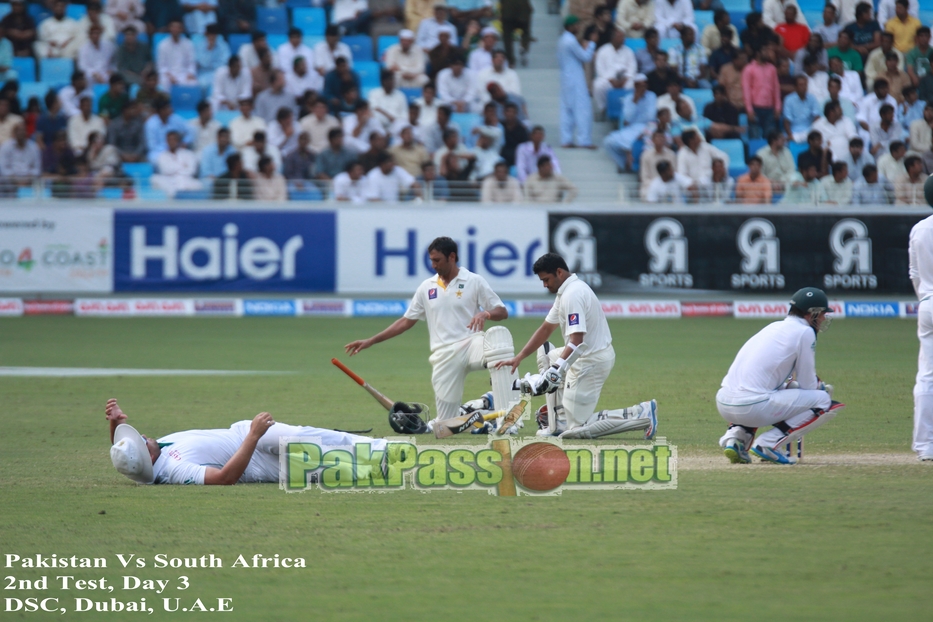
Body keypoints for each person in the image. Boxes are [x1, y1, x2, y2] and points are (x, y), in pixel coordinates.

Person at [345, 236, 516, 426]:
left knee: (499, 343)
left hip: (471, 344)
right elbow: (405, 322)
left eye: (437, 260)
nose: (433, 265)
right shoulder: (426, 287)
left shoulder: (474, 281)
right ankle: (481, 406)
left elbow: (502, 311)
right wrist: (371, 340)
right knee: (445, 425)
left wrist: (485, 314)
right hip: (443, 356)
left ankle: (511, 421)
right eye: (431, 260)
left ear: (452, 257)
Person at [494, 252, 658, 439]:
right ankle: (558, 422)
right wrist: (520, 357)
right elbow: (546, 329)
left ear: (559, 272)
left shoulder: (574, 293)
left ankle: (642, 414)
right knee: (548, 356)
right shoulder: (565, 292)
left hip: (591, 361)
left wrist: (556, 370)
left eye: (546, 279)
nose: (545, 285)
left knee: (578, 429)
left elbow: (577, 340)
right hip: (582, 356)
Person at [106, 398, 390, 485]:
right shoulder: (171, 470)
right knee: (322, 470)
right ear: (147, 456)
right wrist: (254, 436)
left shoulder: (148, 456)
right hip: (253, 463)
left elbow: (127, 456)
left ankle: (379, 449)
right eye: (139, 440)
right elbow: (222, 478)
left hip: (241, 433)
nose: (141, 435)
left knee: (307, 436)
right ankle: (374, 469)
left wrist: (115, 424)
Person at [716, 287, 842, 465]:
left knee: (771, 389)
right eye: (822, 313)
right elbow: (808, 383)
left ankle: (736, 439)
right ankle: (768, 444)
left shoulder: (774, 326)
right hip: (752, 407)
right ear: (811, 314)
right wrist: (821, 388)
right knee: (822, 400)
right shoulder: (804, 332)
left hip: (724, 402)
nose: (823, 318)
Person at [909, 193, 933, 460]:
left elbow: (914, 274)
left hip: (927, 303)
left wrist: (926, 299)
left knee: (927, 375)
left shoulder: (919, 228)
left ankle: (925, 445)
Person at [558, 16, 597, 149]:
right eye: (576, 25)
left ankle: (566, 140)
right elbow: (585, 57)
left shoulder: (561, 40)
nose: (578, 28)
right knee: (582, 109)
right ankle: (584, 141)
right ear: (570, 27)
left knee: (567, 109)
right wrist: (591, 44)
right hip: (575, 79)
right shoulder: (570, 40)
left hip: (565, 78)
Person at [593, 29, 637, 115]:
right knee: (597, 85)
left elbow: (632, 68)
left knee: (634, 84)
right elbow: (600, 69)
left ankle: (629, 109)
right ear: (612, 38)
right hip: (608, 80)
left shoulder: (628, 51)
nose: (622, 39)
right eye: (619, 37)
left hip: (625, 81)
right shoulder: (603, 51)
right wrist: (611, 80)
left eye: (623, 37)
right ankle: (604, 108)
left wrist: (625, 79)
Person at [743, 47, 782, 139]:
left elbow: (776, 89)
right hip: (755, 108)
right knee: (755, 136)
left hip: (769, 108)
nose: (768, 53)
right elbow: (746, 91)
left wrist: (777, 107)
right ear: (758, 53)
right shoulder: (749, 69)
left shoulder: (772, 69)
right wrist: (749, 110)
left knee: (770, 136)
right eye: (765, 51)